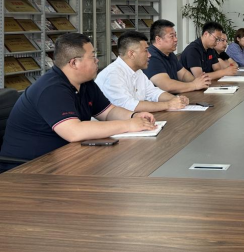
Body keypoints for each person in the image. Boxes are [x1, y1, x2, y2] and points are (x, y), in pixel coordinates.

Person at [0, 33, 157, 170]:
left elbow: (108, 112)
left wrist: (133, 116)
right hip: (29, 168)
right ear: (74, 63)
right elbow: (74, 132)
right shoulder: (51, 89)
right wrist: (128, 125)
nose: (97, 60)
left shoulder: (85, 83)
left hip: (65, 158)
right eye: (92, 56)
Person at [96, 31, 189, 113]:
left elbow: (153, 92)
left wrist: (176, 99)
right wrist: (168, 105)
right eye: (146, 50)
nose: (149, 55)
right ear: (131, 54)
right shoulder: (112, 75)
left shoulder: (138, 71)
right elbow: (129, 105)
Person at [143, 19, 211, 93]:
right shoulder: (150, 57)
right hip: (161, 99)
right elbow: (167, 86)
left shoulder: (169, 53)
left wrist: (199, 82)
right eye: (172, 36)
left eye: (175, 35)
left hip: (174, 97)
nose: (176, 39)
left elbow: (183, 74)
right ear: (158, 39)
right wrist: (194, 85)